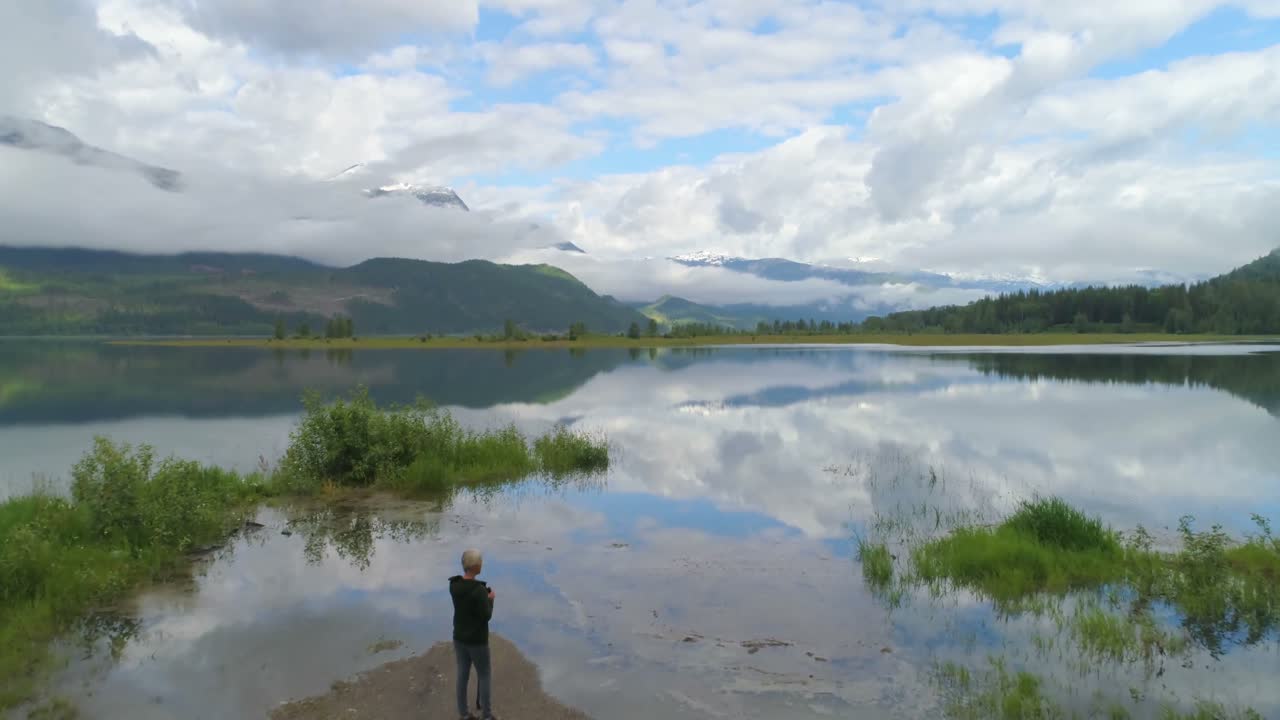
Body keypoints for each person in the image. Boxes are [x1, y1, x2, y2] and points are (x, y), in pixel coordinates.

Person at [450, 549, 497, 720]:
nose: (481, 564)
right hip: (477, 641)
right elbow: (486, 616)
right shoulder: (479, 590)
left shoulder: (454, 585)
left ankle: (464, 714)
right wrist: (490, 599)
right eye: (480, 562)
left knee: (462, 675)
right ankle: (487, 715)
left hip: (459, 638)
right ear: (476, 566)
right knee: (484, 675)